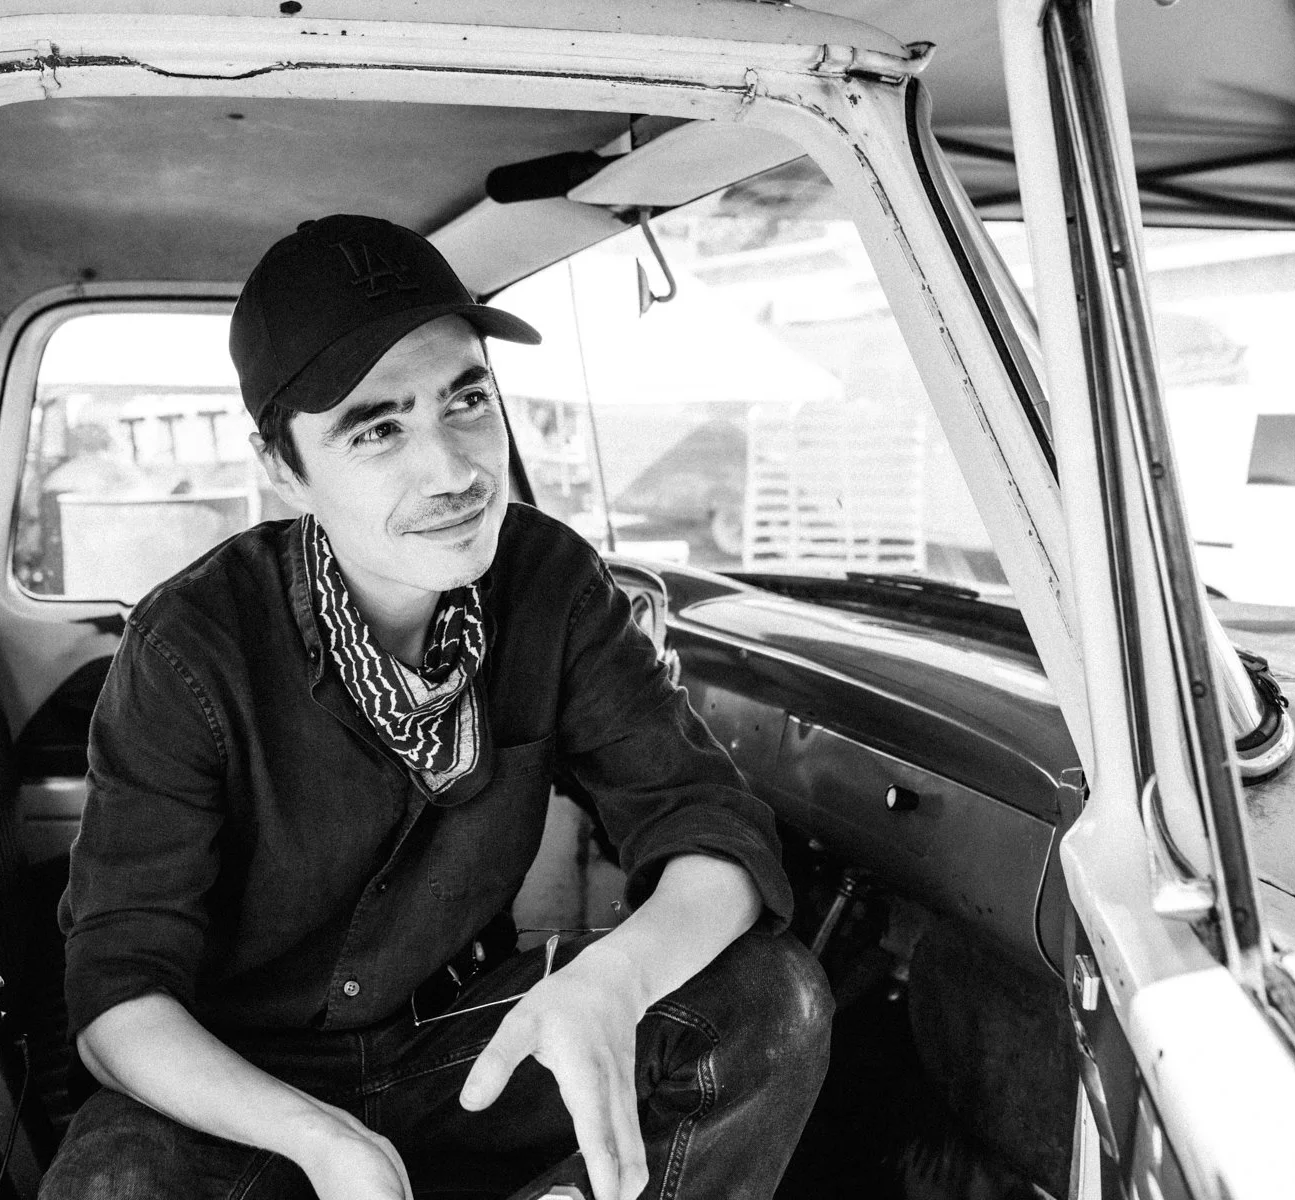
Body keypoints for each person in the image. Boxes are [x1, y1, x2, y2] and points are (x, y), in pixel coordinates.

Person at [44, 214, 831, 1200]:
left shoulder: (554, 588)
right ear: (282, 467)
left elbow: (710, 828)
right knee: (112, 1185)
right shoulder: (191, 648)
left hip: (459, 1047)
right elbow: (118, 997)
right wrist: (325, 1144)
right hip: (241, 1087)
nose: (454, 471)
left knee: (769, 1000)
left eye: (466, 403)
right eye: (377, 430)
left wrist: (610, 981)